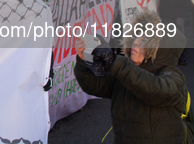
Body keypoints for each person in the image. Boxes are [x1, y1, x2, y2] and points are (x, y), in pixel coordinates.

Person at [74, 11, 188, 144]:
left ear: (160, 50)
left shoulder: (173, 75)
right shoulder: (127, 73)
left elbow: (157, 90)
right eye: (137, 37)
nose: (136, 42)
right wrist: (86, 61)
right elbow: (94, 86)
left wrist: (115, 62)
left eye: (145, 40)